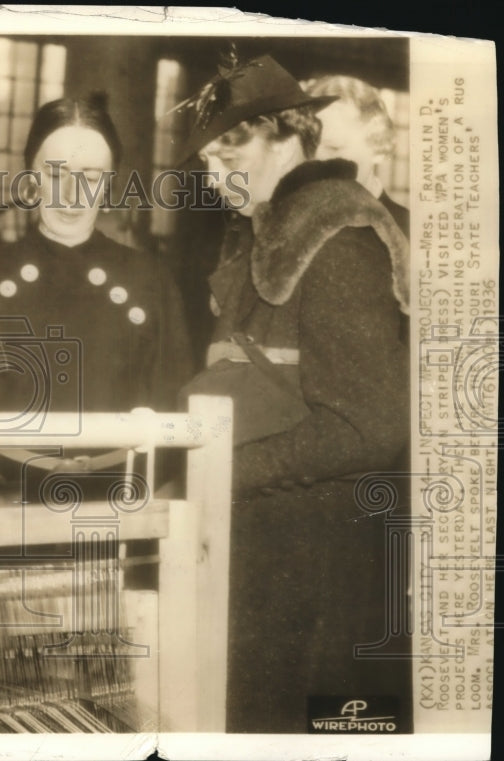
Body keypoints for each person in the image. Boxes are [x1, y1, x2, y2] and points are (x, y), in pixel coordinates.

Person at [175, 54, 411, 732]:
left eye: (231, 154)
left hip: (317, 581)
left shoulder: (334, 240)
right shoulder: (268, 239)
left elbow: (370, 424)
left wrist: (226, 469)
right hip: (267, 568)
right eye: (208, 165)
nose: (216, 180)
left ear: (290, 135)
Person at [0, 93, 193, 485]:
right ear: (30, 176)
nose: (72, 195)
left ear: (111, 182)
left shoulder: (150, 281)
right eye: (55, 174)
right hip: (1, 502)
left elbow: (175, 413)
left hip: (117, 504)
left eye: (92, 176)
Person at [304, 75, 409, 234]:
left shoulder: (409, 232)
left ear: (378, 147)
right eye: (308, 147)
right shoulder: (287, 222)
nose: (315, 161)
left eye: (334, 148)